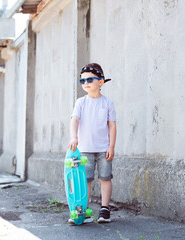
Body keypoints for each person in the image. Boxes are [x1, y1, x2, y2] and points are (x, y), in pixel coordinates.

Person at [68, 63, 117, 224]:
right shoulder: (81, 102)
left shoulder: (108, 103)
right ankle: (84, 210)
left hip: (104, 149)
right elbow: (74, 120)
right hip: (85, 150)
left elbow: (112, 125)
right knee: (85, 180)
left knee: (105, 178)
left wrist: (111, 146)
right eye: (82, 81)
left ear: (101, 82)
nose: (86, 83)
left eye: (90, 79)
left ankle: (104, 209)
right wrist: (74, 137)